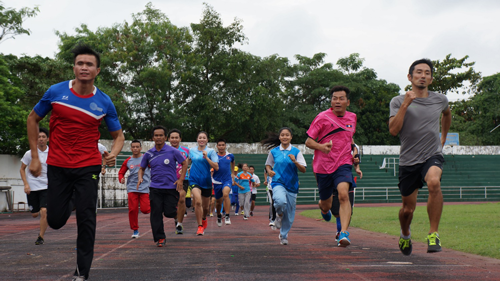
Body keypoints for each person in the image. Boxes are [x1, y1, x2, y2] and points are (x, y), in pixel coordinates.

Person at [26, 44, 125, 281]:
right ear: (74, 68)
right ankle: (71, 199)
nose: (84, 67)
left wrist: (113, 152)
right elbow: (32, 118)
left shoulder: (104, 102)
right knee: (55, 220)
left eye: (89, 64)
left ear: (97, 71)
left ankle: (82, 272)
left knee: (86, 217)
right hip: (59, 165)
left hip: (88, 167)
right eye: (80, 63)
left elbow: (118, 135)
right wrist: (36, 157)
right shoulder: (56, 92)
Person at [389, 58, 451, 256]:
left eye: (427, 73)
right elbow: (393, 130)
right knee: (407, 210)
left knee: (434, 182)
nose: (423, 76)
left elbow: (447, 115)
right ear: (410, 76)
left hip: (432, 154)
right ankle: (405, 234)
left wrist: (443, 138)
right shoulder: (398, 101)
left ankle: (433, 234)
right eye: (418, 72)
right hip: (408, 160)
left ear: (431, 79)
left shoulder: (440, 99)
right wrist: (406, 105)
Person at [305, 85, 358, 247]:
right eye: (334, 98)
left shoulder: (352, 117)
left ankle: (344, 233)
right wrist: (321, 147)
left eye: (341, 98)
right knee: (326, 203)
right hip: (323, 167)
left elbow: (349, 139)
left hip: (343, 164)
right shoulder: (322, 117)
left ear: (347, 102)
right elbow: (308, 141)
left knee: (343, 195)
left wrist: (354, 152)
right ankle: (323, 210)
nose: (337, 101)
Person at [138, 126, 187, 247]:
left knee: (169, 212)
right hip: (155, 188)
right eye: (156, 135)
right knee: (156, 213)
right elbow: (141, 168)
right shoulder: (149, 154)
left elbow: (184, 163)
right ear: (152, 138)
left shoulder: (173, 151)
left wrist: (181, 180)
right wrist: (140, 177)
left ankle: (176, 217)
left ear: (165, 137)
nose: (158, 138)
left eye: (161, 135)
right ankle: (160, 238)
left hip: (171, 187)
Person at [262, 127, 307, 245]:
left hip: (292, 184)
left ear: (291, 137)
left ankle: (283, 235)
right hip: (278, 182)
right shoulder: (274, 152)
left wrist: (295, 161)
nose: (285, 137)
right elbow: (268, 164)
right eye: (282, 135)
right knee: (279, 201)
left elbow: (303, 170)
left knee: (290, 213)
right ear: (279, 137)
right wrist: (269, 171)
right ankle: (278, 214)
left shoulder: (296, 152)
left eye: (287, 135)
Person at [19, 127, 50, 245]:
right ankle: (36, 210)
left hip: (46, 186)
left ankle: (41, 237)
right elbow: (22, 169)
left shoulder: (52, 152)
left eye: (43, 137)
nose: (41, 139)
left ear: (47, 139)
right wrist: (26, 184)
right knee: (34, 214)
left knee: (44, 211)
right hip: (32, 187)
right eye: (39, 137)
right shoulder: (30, 153)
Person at [118, 140, 151, 239]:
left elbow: (155, 167)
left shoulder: (146, 158)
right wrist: (121, 179)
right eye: (133, 147)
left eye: (137, 147)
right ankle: (135, 230)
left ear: (141, 148)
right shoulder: (128, 161)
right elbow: (121, 173)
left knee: (145, 210)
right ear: (131, 148)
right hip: (132, 188)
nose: (135, 148)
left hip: (145, 188)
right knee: (133, 209)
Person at [330, 143, 362, 241]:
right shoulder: (328, 141)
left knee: (348, 207)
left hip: (346, 178)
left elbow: (356, 160)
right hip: (331, 177)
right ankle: (325, 210)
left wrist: (357, 168)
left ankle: (342, 233)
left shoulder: (354, 147)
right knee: (335, 211)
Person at [188, 131, 219, 235]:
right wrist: (182, 169)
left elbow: (216, 167)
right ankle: (200, 226)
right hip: (194, 179)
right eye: (200, 137)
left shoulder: (211, 152)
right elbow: (187, 161)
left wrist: (207, 158)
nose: (201, 139)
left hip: (206, 181)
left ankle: (204, 218)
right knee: (197, 202)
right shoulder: (191, 150)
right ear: (197, 139)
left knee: (206, 207)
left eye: (204, 138)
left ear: (207, 140)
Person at [167, 129, 190, 235]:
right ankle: (176, 219)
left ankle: (179, 224)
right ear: (168, 139)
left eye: (176, 137)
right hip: (168, 180)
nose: (174, 140)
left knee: (181, 199)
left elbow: (192, 160)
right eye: (172, 137)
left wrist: (187, 168)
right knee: (170, 205)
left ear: (180, 139)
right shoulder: (164, 150)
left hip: (183, 179)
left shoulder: (186, 150)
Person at [212, 139, 235, 226]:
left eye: (223, 145)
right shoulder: (214, 156)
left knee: (226, 195)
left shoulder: (230, 155)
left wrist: (232, 173)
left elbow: (233, 162)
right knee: (218, 202)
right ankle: (218, 215)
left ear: (225, 146)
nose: (221, 147)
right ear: (217, 146)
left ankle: (227, 216)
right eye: (219, 145)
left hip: (227, 179)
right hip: (217, 180)